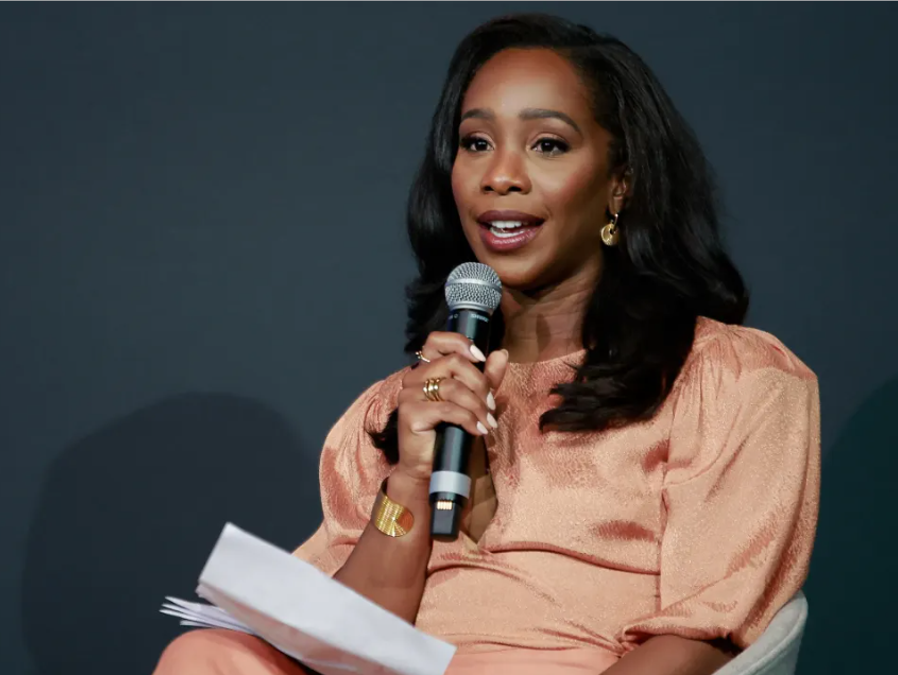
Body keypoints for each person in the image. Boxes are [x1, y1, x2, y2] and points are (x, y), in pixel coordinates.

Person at [154, 12, 820, 675]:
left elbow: (702, 636)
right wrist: (409, 482)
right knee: (205, 655)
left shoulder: (726, 377)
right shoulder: (403, 405)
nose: (500, 175)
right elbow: (342, 644)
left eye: (547, 145)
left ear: (622, 182)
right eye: (475, 143)